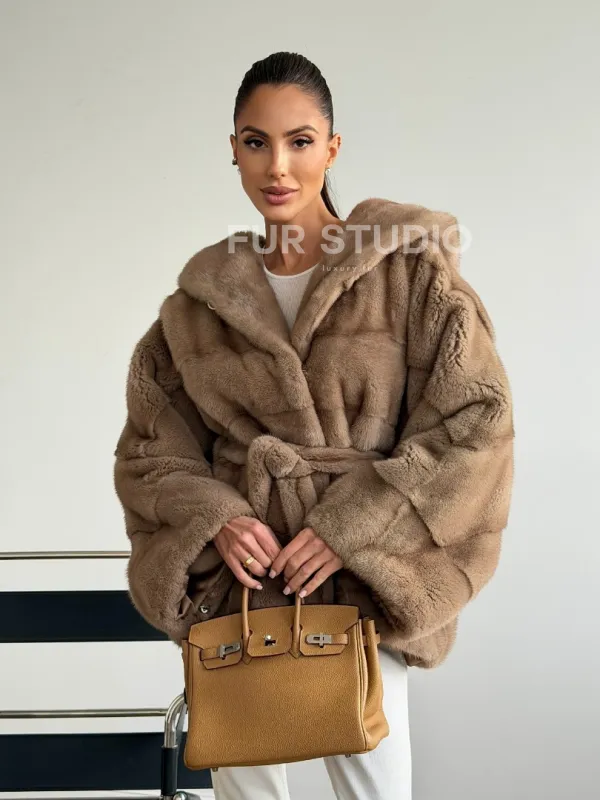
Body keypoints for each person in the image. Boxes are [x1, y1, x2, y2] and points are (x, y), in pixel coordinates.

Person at [113, 51, 515, 800]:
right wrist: (218, 520)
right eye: (256, 142)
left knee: (374, 790)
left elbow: (475, 420)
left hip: (363, 582)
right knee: (246, 790)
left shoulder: (408, 275)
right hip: (246, 590)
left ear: (332, 149)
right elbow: (151, 450)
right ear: (233, 149)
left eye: (300, 141)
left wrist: (349, 527)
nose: (278, 166)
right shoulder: (198, 306)